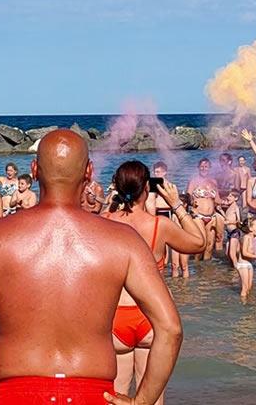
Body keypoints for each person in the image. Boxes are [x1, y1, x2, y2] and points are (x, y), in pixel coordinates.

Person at [0, 130, 182, 405]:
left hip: (15, 393)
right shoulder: (123, 240)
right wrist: (144, 400)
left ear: (33, 170)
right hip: (93, 395)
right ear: (89, 171)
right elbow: (170, 328)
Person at [100, 160, 206, 401]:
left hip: (116, 315)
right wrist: (177, 204)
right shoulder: (160, 225)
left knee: (114, 395)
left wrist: (111, 202)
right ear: (147, 187)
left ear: (117, 186)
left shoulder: (104, 221)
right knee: (152, 399)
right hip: (152, 317)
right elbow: (199, 242)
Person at [234, 217, 256, 303]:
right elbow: (244, 253)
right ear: (250, 228)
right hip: (243, 265)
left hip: (249, 264)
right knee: (244, 288)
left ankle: (248, 303)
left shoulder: (253, 238)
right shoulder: (246, 237)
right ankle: (243, 307)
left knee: (249, 287)